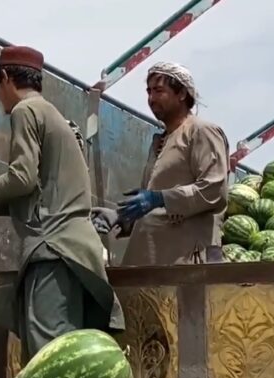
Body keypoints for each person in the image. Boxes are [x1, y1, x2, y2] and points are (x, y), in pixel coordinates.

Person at [0, 46, 124, 363]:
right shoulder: (52, 115)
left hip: (53, 251)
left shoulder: (26, 112)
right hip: (73, 251)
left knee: (49, 358)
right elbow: (39, 194)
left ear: (5, 78)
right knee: (69, 353)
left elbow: (21, 178)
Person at [90, 62, 230, 266]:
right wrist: (121, 216)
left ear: (181, 93)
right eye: (148, 92)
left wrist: (159, 198)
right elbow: (154, 209)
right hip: (152, 258)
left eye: (158, 91)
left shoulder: (202, 132)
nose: (151, 99)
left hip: (187, 259)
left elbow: (214, 190)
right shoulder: (160, 141)